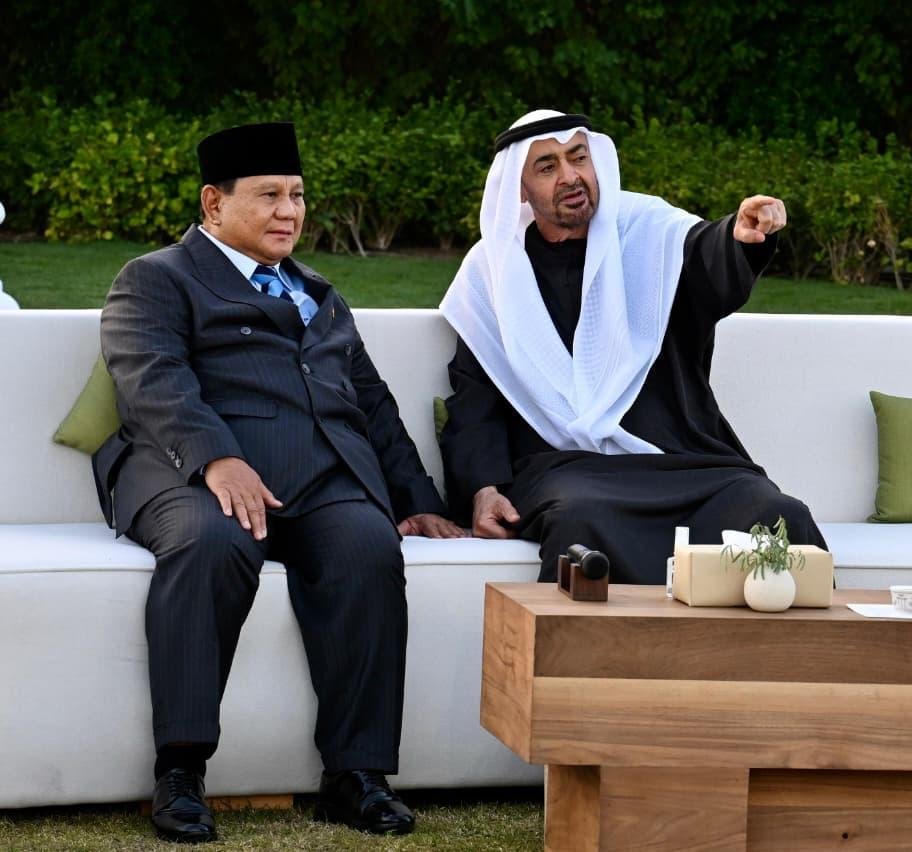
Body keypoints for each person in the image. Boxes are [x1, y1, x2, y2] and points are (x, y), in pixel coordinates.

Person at [93, 122, 464, 843]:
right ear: (214, 203)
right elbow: (152, 377)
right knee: (211, 543)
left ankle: (356, 775)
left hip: (321, 477)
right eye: (269, 196)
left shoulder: (320, 292)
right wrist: (217, 458)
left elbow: (372, 403)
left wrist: (416, 501)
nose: (289, 212)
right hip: (190, 473)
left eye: (296, 195)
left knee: (368, 547)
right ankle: (180, 770)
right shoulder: (156, 277)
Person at [439, 110, 825, 583]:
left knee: (777, 512)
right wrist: (483, 487)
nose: (570, 176)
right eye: (547, 166)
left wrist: (740, 238)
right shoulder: (494, 272)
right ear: (519, 189)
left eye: (578, 157)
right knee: (580, 519)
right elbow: (476, 395)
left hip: (682, 460)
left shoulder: (647, 232)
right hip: (566, 469)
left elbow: (703, 253)